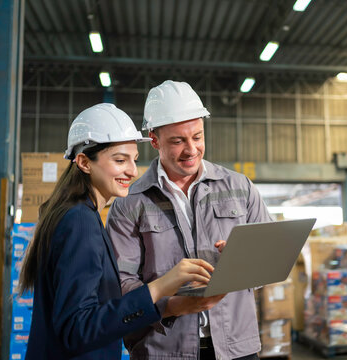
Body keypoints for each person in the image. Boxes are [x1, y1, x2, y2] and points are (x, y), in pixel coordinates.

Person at [18, 103, 214, 360]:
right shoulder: (80, 221)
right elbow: (78, 329)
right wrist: (162, 285)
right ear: (84, 162)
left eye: (133, 159)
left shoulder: (77, 213)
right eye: (119, 160)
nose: (132, 171)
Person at [106, 81, 272, 360]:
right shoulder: (130, 202)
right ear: (154, 140)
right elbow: (121, 283)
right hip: (163, 350)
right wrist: (172, 306)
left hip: (237, 349)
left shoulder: (239, 187)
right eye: (178, 141)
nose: (191, 149)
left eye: (197, 137)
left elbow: (269, 258)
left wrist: (243, 260)